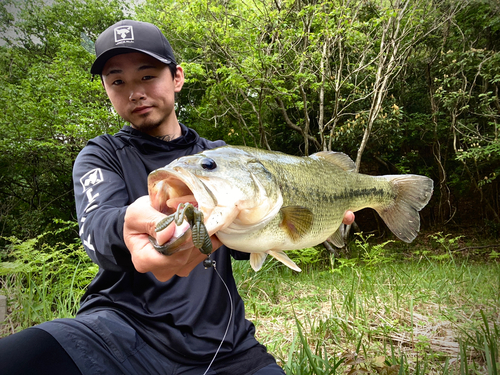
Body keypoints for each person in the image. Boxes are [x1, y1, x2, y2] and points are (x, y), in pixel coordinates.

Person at [0, 20, 355, 375]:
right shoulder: (101, 154)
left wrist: (301, 222)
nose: (134, 92)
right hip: (120, 334)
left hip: (227, 345)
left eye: (147, 75)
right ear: (106, 89)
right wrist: (126, 226)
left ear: (177, 78)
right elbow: (97, 228)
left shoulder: (221, 156)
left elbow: (242, 244)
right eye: (117, 81)